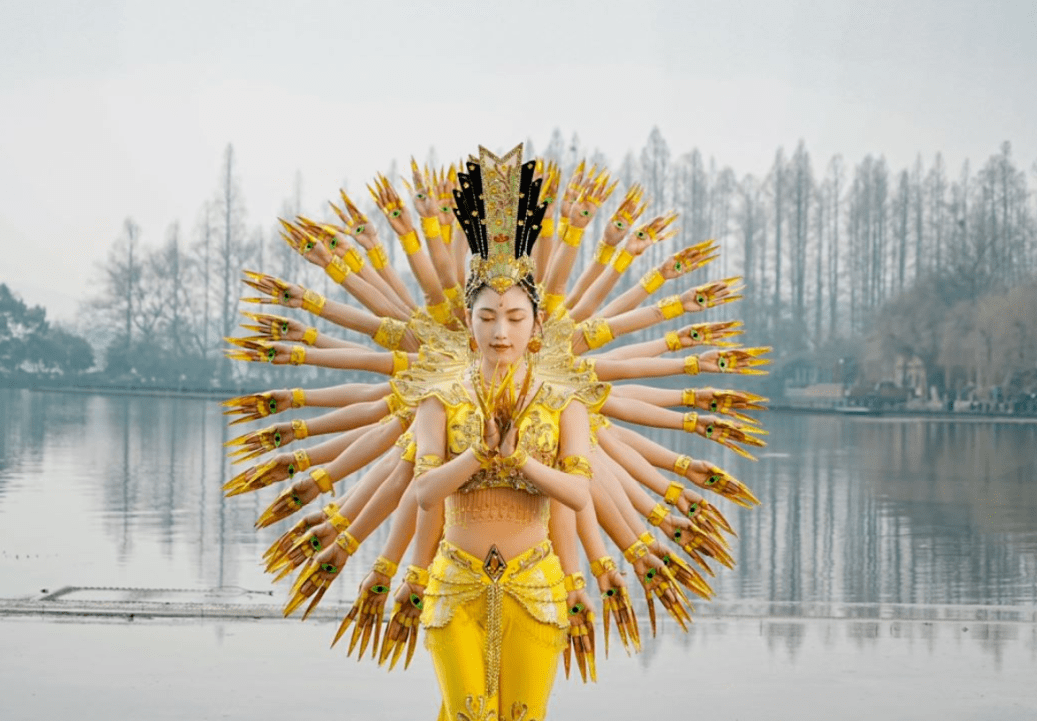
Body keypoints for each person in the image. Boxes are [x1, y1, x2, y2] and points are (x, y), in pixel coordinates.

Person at [222, 144, 771, 720]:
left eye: (514, 318)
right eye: (486, 317)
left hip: (536, 583)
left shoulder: (566, 403)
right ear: (468, 321)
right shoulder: (438, 396)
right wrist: (405, 567)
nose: (500, 332)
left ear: (536, 325)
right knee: (466, 713)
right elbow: (424, 496)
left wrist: (576, 568)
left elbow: (574, 504)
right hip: (454, 580)